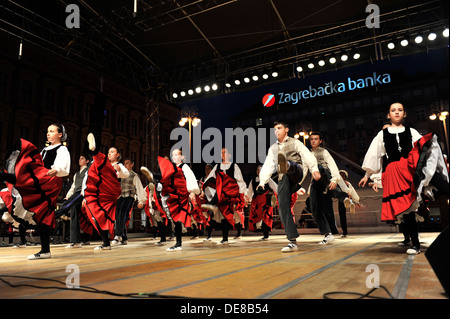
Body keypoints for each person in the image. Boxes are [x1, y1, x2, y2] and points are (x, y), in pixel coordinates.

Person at [359, 102, 449, 255]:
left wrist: (438, 155)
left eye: (400, 110)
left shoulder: (411, 131)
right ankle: (415, 244)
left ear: (404, 114)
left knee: (440, 183)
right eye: (393, 110)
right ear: (388, 115)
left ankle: (416, 238)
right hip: (395, 173)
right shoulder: (382, 135)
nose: (396, 112)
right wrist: (367, 175)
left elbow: (424, 146)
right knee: (406, 208)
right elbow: (374, 154)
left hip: (411, 167)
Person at [0, 124, 71, 259]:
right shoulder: (45, 149)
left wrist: (58, 170)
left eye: (52, 131)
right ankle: (45, 250)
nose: (48, 134)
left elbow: (64, 167)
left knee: (42, 211)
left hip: (50, 180)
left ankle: (45, 250)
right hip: (41, 178)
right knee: (37, 210)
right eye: (47, 131)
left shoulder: (62, 149)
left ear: (60, 134)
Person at [258, 121, 320, 252]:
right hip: (284, 179)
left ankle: (287, 164)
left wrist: (314, 169)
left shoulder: (295, 142)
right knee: (283, 207)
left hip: (296, 173)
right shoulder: (273, 148)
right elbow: (268, 165)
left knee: (290, 167)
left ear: (286, 129)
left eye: (279, 128)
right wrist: (262, 183)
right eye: (275, 129)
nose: (276, 131)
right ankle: (292, 241)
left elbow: (306, 154)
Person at [142, 149, 200, 251]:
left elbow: (191, 179)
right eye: (172, 155)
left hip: (180, 195)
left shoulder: (184, 167)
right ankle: (154, 177)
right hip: (171, 194)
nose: (174, 157)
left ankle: (178, 243)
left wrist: (192, 192)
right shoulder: (171, 168)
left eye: (176, 155)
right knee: (174, 219)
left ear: (182, 157)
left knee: (177, 218)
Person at [82, 135, 128, 251]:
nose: (109, 153)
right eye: (108, 152)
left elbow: (126, 174)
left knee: (101, 164)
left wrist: (119, 170)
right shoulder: (104, 165)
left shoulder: (118, 165)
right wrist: (85, 195)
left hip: (110, 191)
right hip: (100, 193)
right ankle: (106, 243)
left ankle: (94, 151)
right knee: (97, 216)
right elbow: (89, 178)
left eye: (112, 152)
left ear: (118, 155)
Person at [201, 148, 248, 245]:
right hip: (222, 194)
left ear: (229, 155)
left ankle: (211, 203)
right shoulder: (217, 166)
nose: (223, 154)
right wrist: (202, 189)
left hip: (231, 191)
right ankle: (225, 238)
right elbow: (209, 178)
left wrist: (244, 193)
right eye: (221, 152)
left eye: (224, 152)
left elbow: (240, 180)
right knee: (224, 215)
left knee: (228, 211)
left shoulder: (234, 166)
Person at [307, 131, 341, 244]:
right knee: (314, 207)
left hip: (325, 178)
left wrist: (334, 179)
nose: (313, 141)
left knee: (320, 168)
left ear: (320, 141)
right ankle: (328, 233)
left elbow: (332, 165)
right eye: (311, 139)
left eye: (316, 139)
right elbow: (304, 170)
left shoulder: (324, 152)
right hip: (315, 183)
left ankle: (341, 194)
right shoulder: (307, 153)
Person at [55, 154, 91, 248]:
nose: (80, 160)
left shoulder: (88, 171)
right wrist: (68, 195)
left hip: (81, 194)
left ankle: (54, 215)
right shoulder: (76, 174)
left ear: (87, 161)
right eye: (79, 158)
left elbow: (86, 184)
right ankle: (76, 242)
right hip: (76, 193)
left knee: (67, 205)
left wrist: (85, 197)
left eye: (82, 158)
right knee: (74, 216)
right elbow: (73, 186)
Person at [112, 158, 146, 246]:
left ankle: (117, 235)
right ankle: (124, 238)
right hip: (120, 197)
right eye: (124, 163)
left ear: (132, 164)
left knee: (122, 214)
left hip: (129, 197)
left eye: (127, 163)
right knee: (118, 216)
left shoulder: (134, 175)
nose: (125, 165)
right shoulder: (120, 174)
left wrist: (141, 201)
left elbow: (139, 188)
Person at [247, 165, 278, 241]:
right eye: (258, 170)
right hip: (257, 203)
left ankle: (266, 235)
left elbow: (276, 188)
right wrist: (248, 200)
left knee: (266, 218)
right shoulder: (253, 181)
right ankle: (263, 234)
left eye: (260, 170)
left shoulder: (268, 180)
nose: (259, 172)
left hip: (266, 202)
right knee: (258, 218)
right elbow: (249, 192)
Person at [337, 169, 361, 238]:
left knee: (347, 198)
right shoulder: (337, 183)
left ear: (345, 177)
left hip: (347, 197)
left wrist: (357, 201)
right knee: (342, 216)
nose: (341, 177)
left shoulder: (347, 183)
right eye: (340, 175)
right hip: (342, 200)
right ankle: (344, 232)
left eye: (343, 176)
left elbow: (353, 192)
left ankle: (350, 204)